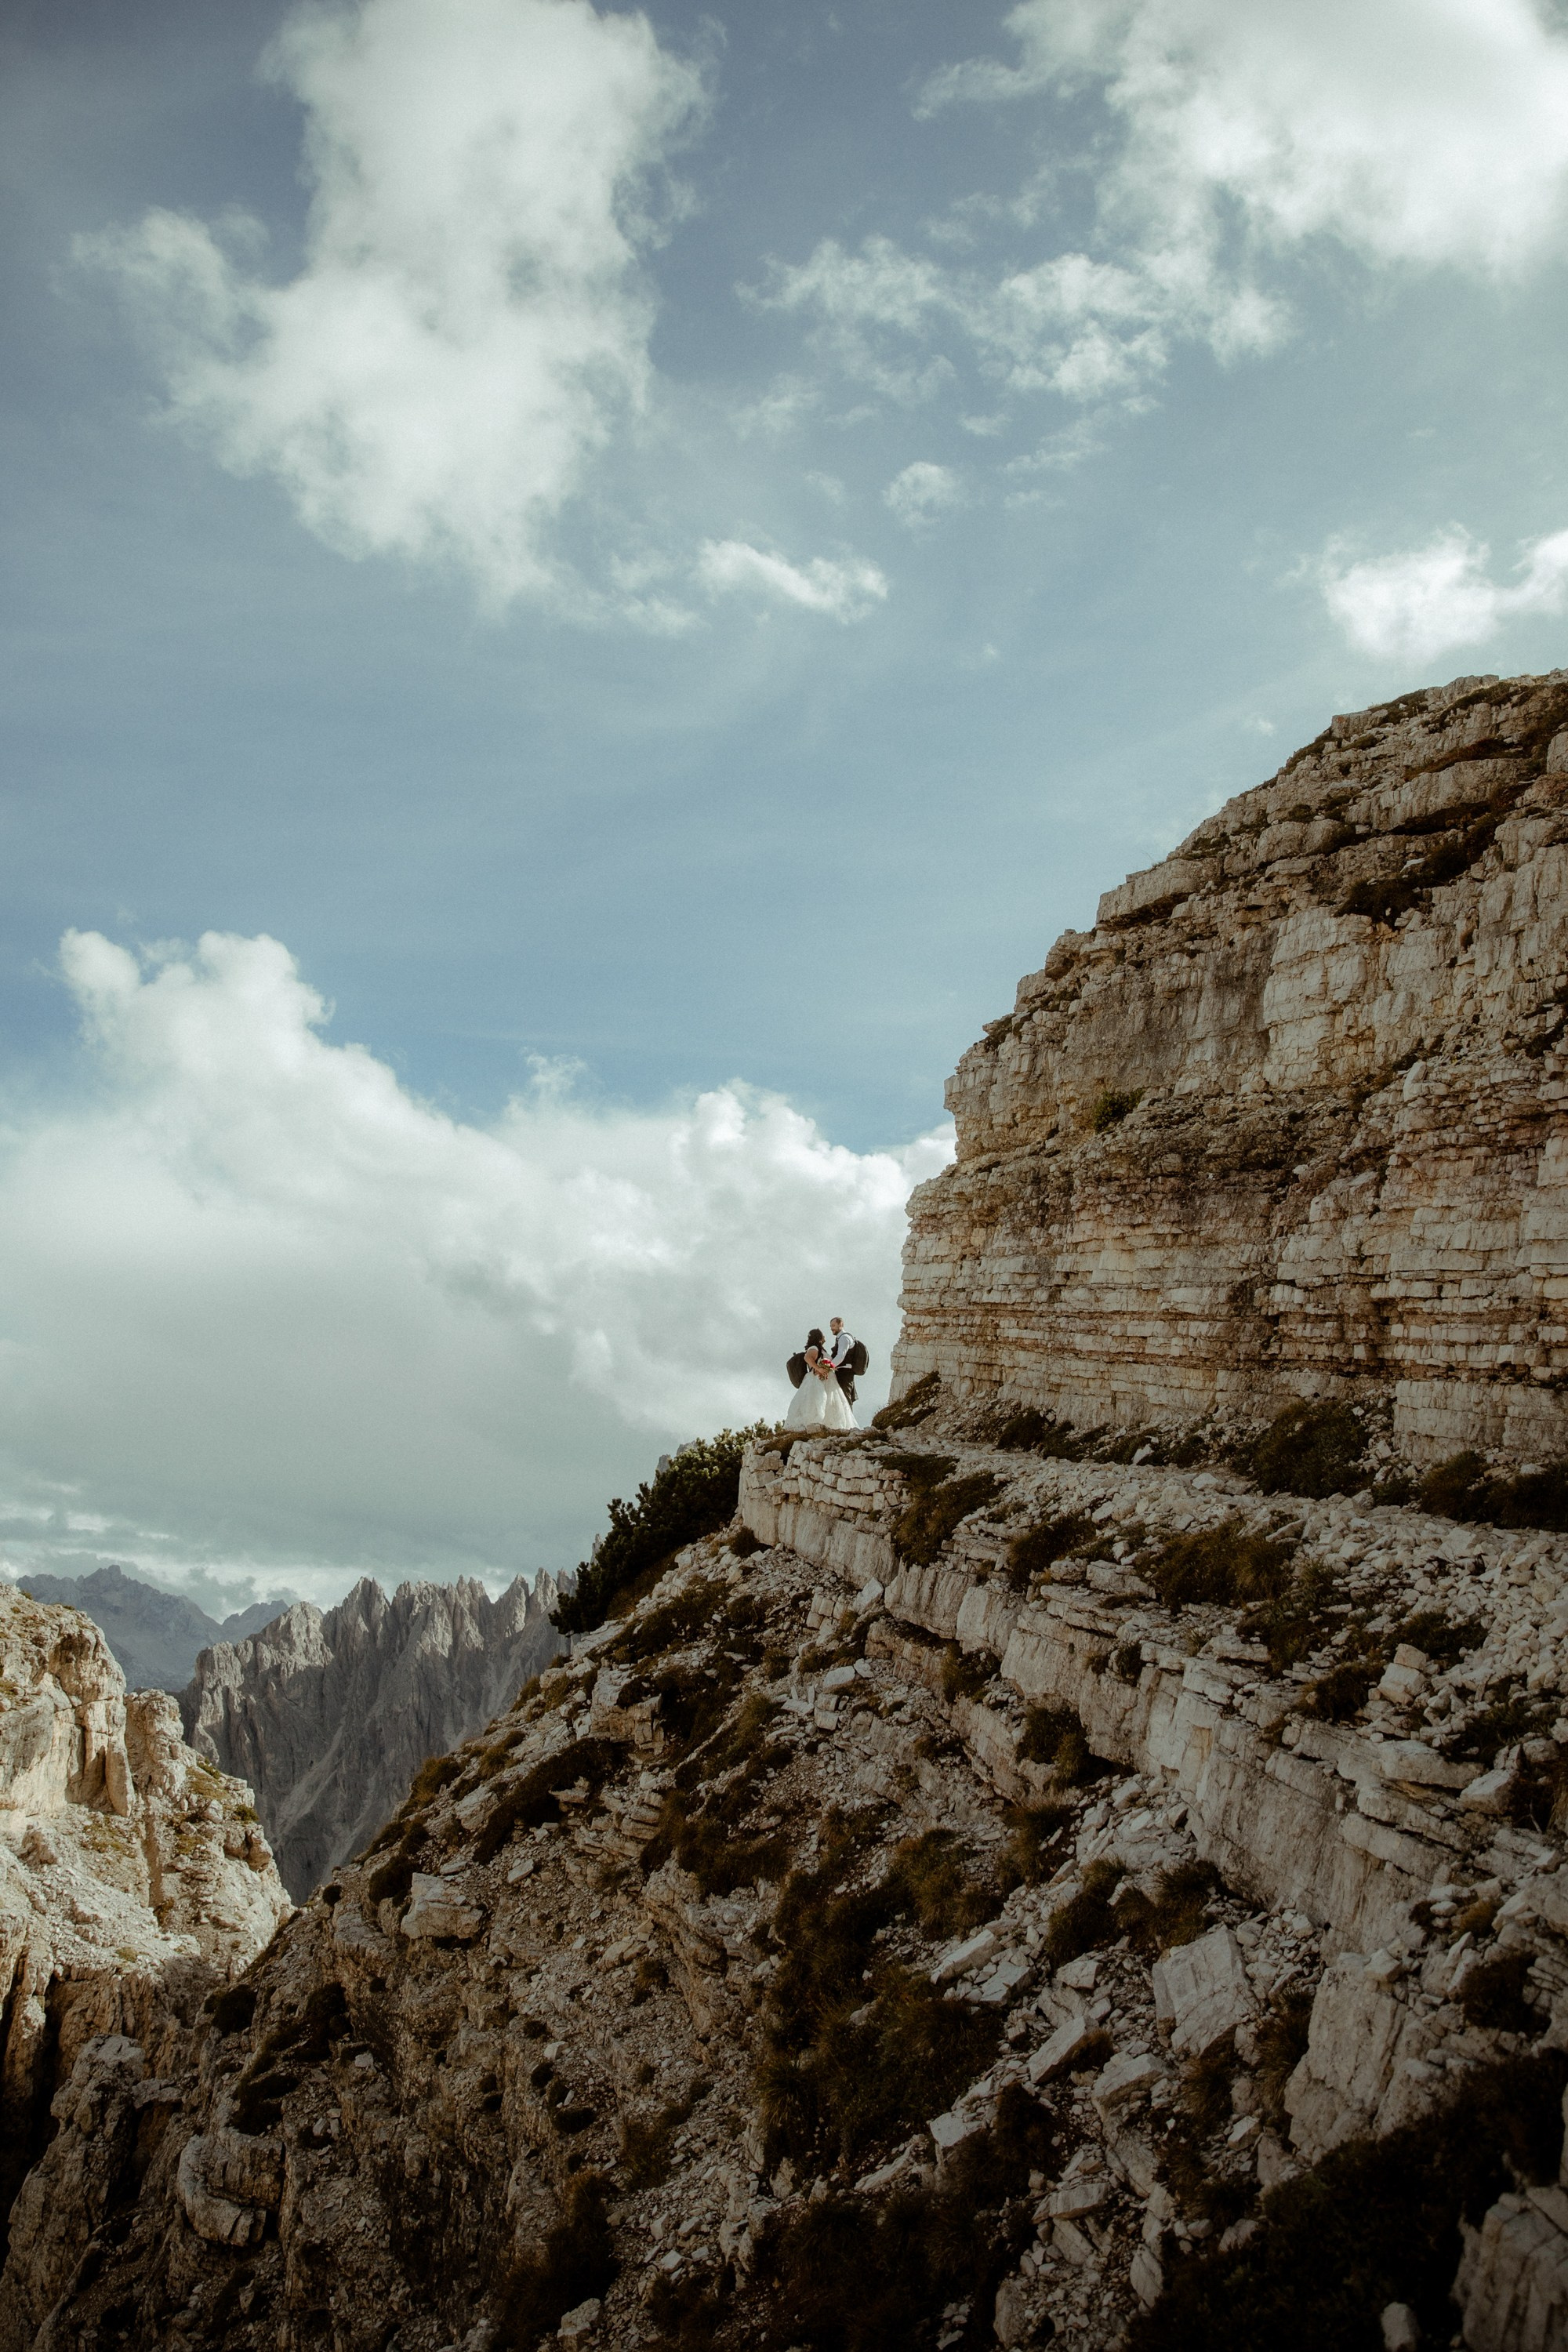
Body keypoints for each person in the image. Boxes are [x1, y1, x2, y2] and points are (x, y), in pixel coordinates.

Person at [784, 1327, 856, 1432]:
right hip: (817, 1380)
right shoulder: (814, 1348)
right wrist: (819, 1369)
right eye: (823, 1335)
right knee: (818, 1401)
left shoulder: (820, 1349)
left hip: (827, 1380)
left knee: (828, 1402)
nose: (825, 1337)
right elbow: (807, 1358)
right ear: (819, 1337)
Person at [827, 1317, 858, 1404]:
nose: (831, 1328)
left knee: (845, 1400)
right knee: (841, 1400)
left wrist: (827, 1367)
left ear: (840, 1324)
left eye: (833, 1325)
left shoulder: (844, 1338)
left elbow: (840, 1356)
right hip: (842, 1372)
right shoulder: (841, 1338)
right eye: (830, 1326)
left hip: (845, 1373)